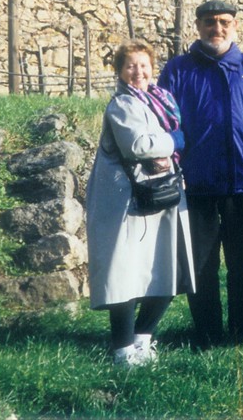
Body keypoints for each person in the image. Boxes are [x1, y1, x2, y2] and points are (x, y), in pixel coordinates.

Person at [158, 0, 243, 347]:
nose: (217, 28)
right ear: (197, 26)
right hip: (196, 183)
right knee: (201, 264)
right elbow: (163, 120)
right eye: (210, 22)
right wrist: (175, 159)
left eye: (224, 22)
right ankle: (207, 332)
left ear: (235, 25)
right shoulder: (178, 70)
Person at [85, 39, 195, 367]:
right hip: (125, 203)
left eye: (144, 65)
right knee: (125, 275)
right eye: (131, 65)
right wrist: (174, 140)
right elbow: (139, 143)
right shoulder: (121, 105)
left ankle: (143, 339)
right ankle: (122, 350)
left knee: (165, 270)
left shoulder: (159, 100)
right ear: (120, 71)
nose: (139, 71)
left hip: (159, 196)